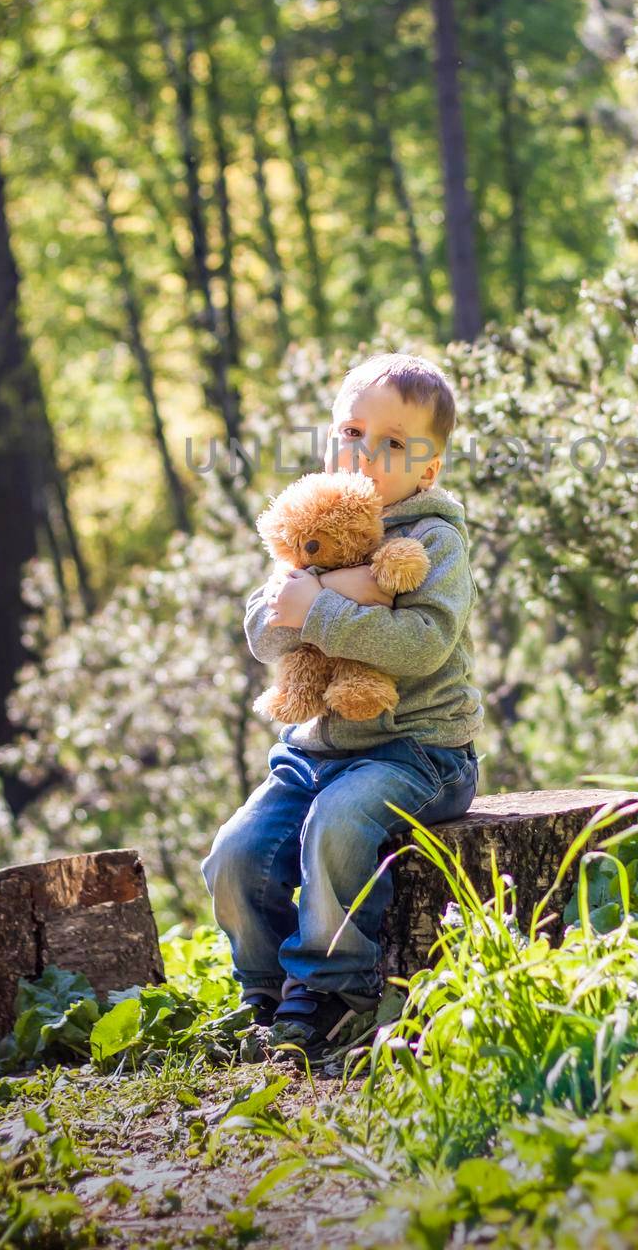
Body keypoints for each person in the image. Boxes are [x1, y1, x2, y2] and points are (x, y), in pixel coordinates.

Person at [201, 351, 483, 1064]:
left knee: (338, 825)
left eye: (393, 443)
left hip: (418, 750)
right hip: (316, 750)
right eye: (353, 432)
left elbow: (420, 646)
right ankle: (265, 994)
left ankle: (333, 994)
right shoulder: (316, 530)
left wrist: (323, 608)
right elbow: (265, 633)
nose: (365, 454)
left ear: (428, 469)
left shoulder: (432, 540)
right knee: (235, 855)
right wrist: (302, 599)